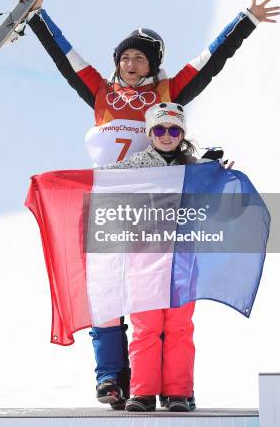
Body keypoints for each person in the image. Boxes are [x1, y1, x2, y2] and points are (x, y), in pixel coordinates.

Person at [20, 0, 279, 407]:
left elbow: (210, 59)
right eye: (125, 57)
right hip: (107, 206)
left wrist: (246, 19)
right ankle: (111, 378)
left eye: (140, 58)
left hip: (153, 212)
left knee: (146, 298)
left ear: (154, 64)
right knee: (104, 294)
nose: (130, 64)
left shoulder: (168, 92)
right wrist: (36, 18)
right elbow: (67, 57)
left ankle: (159, 385)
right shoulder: (101, 93)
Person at [100, 101, 232, 413]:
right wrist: (71, 179)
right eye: (159, 129)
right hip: (145, 255)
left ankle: (178, 392)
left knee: (179, 327)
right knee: (146, 325)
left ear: (182, 132)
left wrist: (215, 178)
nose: (167, 135)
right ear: (150, 133)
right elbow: (103, 180)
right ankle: (143, 392)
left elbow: (210, 210)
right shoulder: (136, 164)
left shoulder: (194, 167)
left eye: (174, 129)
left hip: (182, 256)